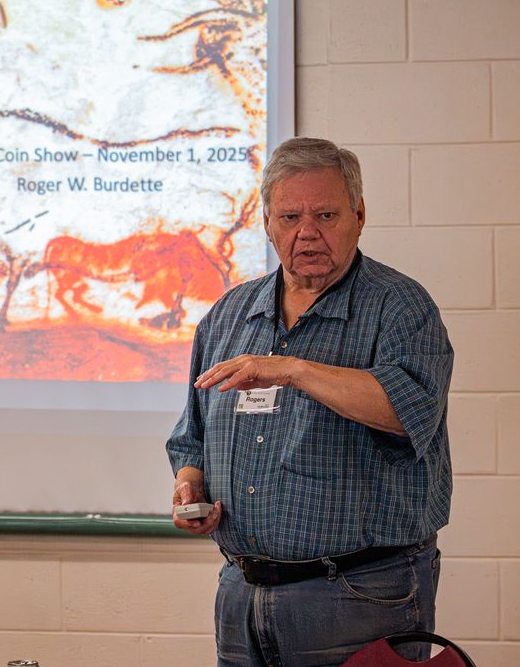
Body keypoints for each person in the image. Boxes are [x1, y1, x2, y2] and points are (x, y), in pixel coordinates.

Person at [166, 137, 453, 667]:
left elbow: (409, 413)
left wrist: (294, 369)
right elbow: (192, 435)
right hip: (242, 596)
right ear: (269, 221)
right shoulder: (230, 314)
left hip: (359, 594)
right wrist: (191, 483)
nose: (308, 232)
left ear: (359, 216)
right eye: (291, 216)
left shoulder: (400, 307)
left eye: (326, 214)